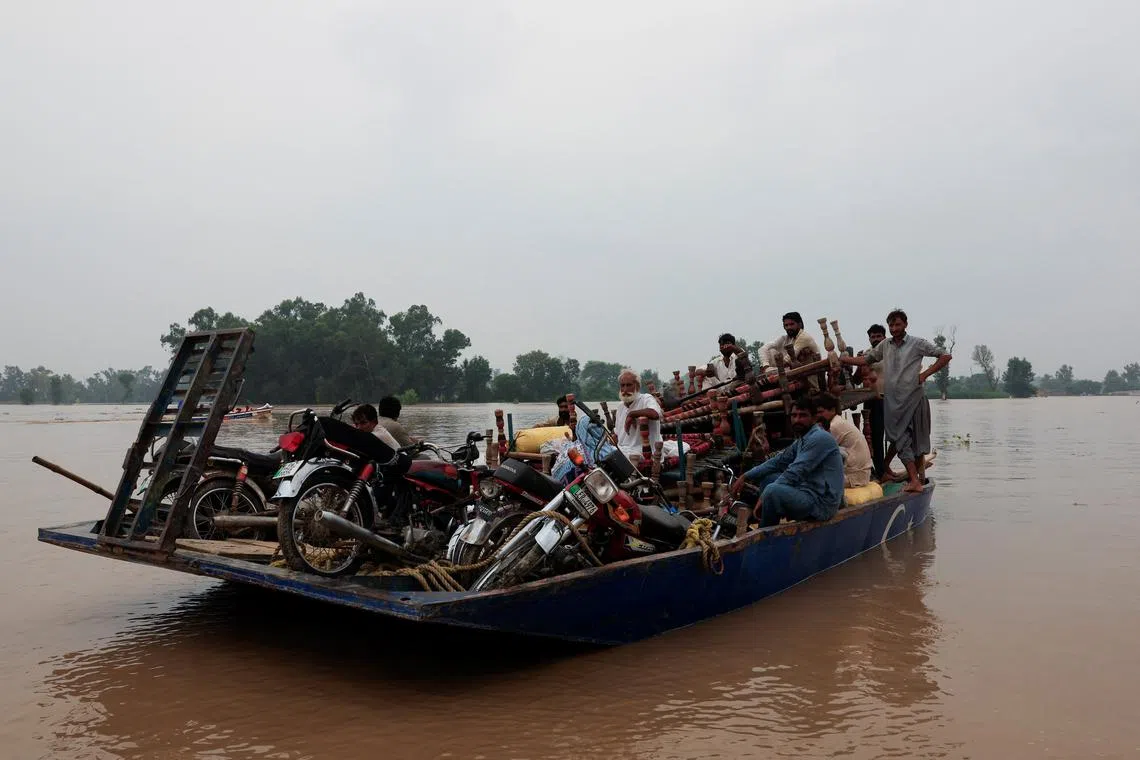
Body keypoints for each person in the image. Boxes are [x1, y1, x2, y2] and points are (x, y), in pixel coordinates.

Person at [841, 309, 951, 493]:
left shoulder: (917, 343)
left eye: (897, 324)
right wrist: (844, 359)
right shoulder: (885, 345)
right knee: (898, 438)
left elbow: (945, 356)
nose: (894, 328)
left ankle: (914, 479)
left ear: (905, 324)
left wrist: (925, 374)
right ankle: (908, 477)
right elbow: (866, 359)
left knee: (912, 439)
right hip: (893, 400)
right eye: (891, 325)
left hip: (914, 398)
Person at [730, 396, 843, 527]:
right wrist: (746, 475)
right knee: (768, 479)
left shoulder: (820, 438)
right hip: (807, 492)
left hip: (822, 503)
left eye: (803, 416)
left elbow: (795, 472)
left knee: (772, 491)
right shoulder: (802, 439)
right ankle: (766, 520)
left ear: (814, 418)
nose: (797, 420)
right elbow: (778, 462)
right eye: (794, 415)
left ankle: (766, 534)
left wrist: (764, 496)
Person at [815, 393, 872, 488]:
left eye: (821, 412)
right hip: (860, 474)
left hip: (854, 477)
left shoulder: (834, 426)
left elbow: (820, 453)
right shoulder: (837, 421)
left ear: (832, 410)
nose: (818, 416)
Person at [853, 324, 888, 478]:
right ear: (869, 338)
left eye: (878, 336)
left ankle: (886, 468)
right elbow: (856, 379)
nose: (875, 339)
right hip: (872, 399)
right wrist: (859, 364)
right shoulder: (866, 355)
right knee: (874, 436)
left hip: (891, 397)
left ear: (884, 337)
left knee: (896, 436)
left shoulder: (891, 353)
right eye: (872, 337)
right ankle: (880, 470)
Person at [612, 369, 663, 460]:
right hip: (623, 450)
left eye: (629, 385)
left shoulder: (646, 399)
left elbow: (655, 414)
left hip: (644, 453)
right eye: (622, 385)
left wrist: (632, 414)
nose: (625, 389)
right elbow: (617, 434)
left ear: (638, 387)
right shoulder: (620, 407)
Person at [762, 312, 822, 387]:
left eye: (792, 324)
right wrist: (766, 366)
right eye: (786, 325)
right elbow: (763, 349)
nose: (788, 327)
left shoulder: (804, 337)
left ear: (799, 324)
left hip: (810, 381)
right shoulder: (787, 338)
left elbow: (787, 360)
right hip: (795, 377)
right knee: (771, 350)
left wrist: (771, 371)